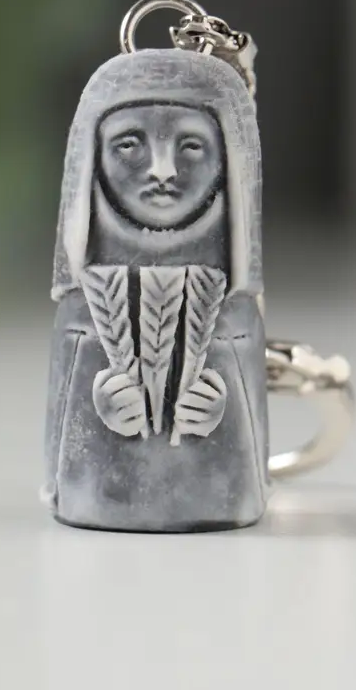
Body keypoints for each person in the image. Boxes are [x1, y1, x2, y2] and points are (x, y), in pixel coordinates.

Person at [43, 48, 268, 532]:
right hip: (100, 496)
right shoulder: (82, 305)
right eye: (130, 144)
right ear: (93, 157)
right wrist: (101, 402)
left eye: (191, 146)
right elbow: (65, 438)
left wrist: (220, 409)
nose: (163, 170)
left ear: (226, 159)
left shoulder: (235, 305)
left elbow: (246, 426)